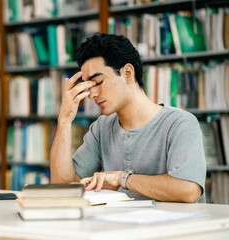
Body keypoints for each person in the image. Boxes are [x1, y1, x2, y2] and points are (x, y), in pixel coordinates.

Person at [49, 33, 206, 203]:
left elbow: (188, 190)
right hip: (119, 228)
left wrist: (122, 179)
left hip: (173, 228)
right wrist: (64, 120)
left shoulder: (180, 123)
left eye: (98, 82)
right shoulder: (101, 128)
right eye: (88, 86)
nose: (91, 94)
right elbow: (62, 187)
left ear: (127, 73)